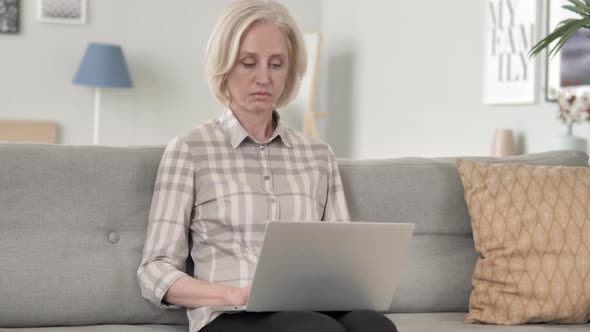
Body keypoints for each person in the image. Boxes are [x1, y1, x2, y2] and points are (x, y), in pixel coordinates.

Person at [137, 1, 398, 331]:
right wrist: (233, 294)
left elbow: (342, 262)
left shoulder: (318, 156)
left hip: (307, 307)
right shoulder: (190, 150)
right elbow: (154, 270)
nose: (264, 78)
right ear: (224, 66)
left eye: (276, 64)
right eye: (249, 63)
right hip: (229, 316)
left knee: (374, 326)